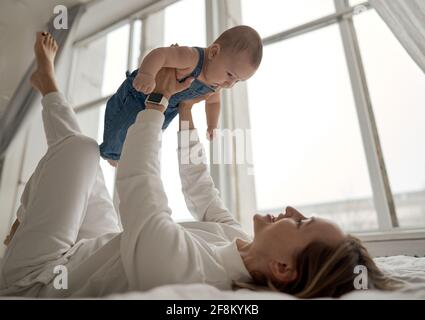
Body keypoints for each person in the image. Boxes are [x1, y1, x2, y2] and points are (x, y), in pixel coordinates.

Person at [0, 33, 399, 298]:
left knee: (83, 151)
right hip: (99, 246)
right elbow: (199, 186)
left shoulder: (193, 276)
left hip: (39, 278)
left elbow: (140, 190)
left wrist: (158, 101)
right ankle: (47, 84)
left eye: (300, 223)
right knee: (82, 158)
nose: (292, 211)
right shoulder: (234, 236)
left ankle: (26, 226)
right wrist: (186, 111)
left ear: (281, 269)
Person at [99, 25, 263, 166]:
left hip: (165, 110)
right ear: (214, 52)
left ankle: (121, 155)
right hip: (139, 95)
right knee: (119, 128)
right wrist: (147, 74)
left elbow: (213, 103)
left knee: (143, 140)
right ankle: (111, 152)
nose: (230, 84)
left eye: (237, 81)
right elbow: (160, 55)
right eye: (230, 74)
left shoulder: (216, 84)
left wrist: (212, 124)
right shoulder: (191, 58)